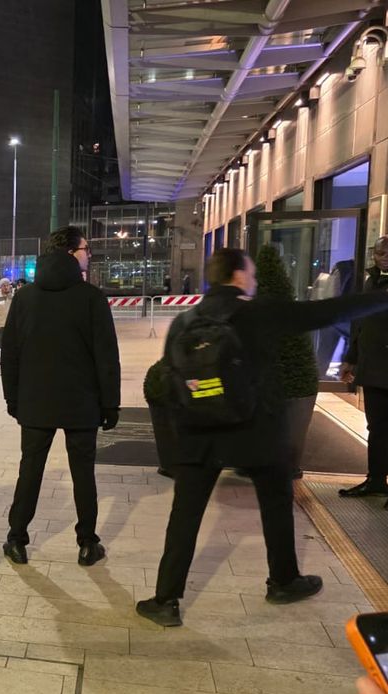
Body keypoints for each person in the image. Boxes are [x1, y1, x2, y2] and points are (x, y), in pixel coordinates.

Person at [136, 248, 388, 628]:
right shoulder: (260, 312)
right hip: (256, 432)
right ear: (238, 276)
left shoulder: (186, 320)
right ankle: (284, 581)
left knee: (184, 516)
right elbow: (329, 312)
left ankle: (165, 600)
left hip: (198, 436)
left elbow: (173, 380)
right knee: (276, 503)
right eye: (250, 274)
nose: (253, 280)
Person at [0, 227, 119, 567]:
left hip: (35, 401)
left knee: (30, 471)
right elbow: (106, 356)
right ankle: (87, 543)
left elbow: (11, 354)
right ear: (70, 253)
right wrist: (110, 403)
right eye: (85, 249)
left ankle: (16, 539)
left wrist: (12, 398)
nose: (88, 255)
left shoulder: (25, 298)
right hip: (82, 402)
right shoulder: (91, 298)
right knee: (83, 473)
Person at [340, 238, 388, 499]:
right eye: (380, 252)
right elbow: (360, 325)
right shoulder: (371, 282)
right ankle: (376, 480)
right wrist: (351, 359)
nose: (384, 256)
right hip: (373, 369)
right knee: (376, 428)